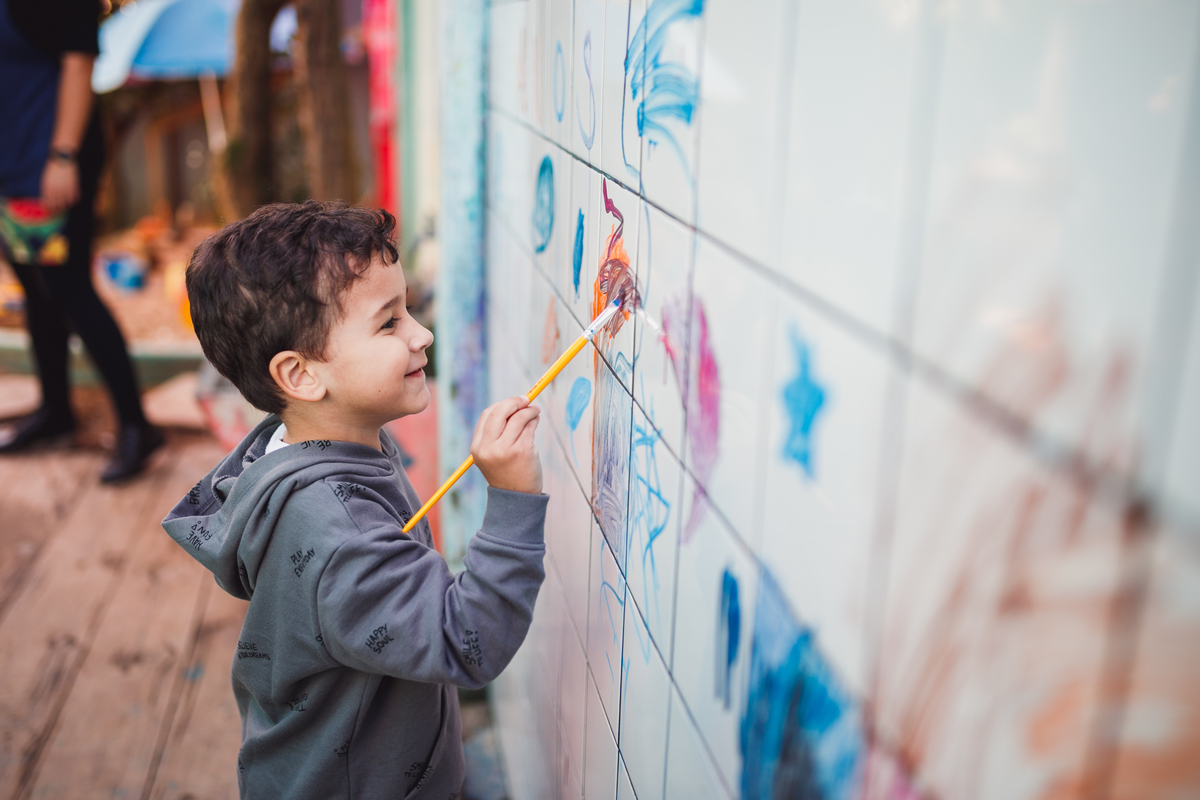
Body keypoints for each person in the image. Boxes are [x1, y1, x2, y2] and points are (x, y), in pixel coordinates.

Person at [162, 201, 547, 798]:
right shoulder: (336, 533)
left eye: (410, 308)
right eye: (389, 322)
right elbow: (463, 641)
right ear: (301, 376)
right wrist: (514, 499)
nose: (423, 334)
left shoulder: (305, 446)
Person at [0, 0, 163, 481]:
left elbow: (78, 61)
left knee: (70, 290)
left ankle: (136, 426)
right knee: (34, 289)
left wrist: (64, 156)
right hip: (12, 167)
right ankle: (56, 412)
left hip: (49, 164)